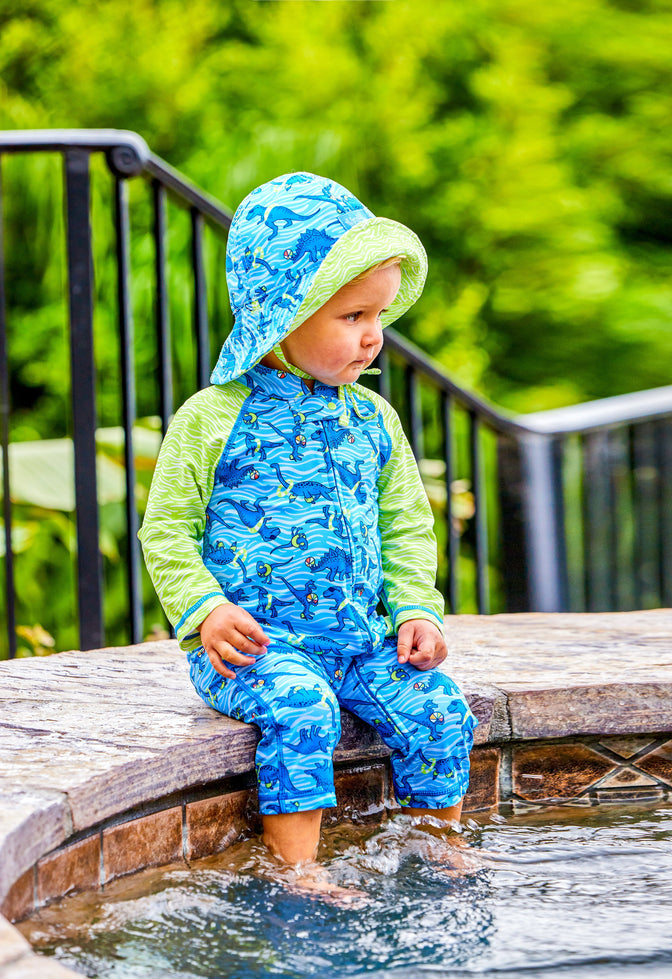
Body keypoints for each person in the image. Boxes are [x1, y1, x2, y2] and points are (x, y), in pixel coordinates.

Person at [139, 172, 476, 887]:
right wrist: (205, 611)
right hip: (254, 648)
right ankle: (297, 868)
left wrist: (416, 606)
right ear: (280, 312)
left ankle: (438, 843)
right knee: (302, 707)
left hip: (359, 641)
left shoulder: (372, 420)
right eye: (353, 316)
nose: (373, 337)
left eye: (379, 316)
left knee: (440, 705)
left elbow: (407, 527)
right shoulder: (212, 417)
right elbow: (166, 527)